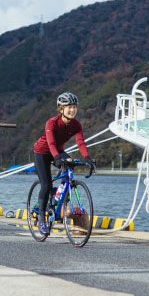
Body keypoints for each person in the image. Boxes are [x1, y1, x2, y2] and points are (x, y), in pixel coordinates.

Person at [32, 92, 96, 235]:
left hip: (58, 151)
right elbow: (51, 143)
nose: (72, 110)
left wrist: (87, 158)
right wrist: (57, 158)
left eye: (74, 107)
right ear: (61, 109)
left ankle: (57, 196)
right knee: (46, 184)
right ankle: (42, 218)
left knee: (70, 168)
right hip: (42, 152)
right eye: (69, 107)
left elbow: (80, 142)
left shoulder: (76, 125)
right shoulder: (52, 123)